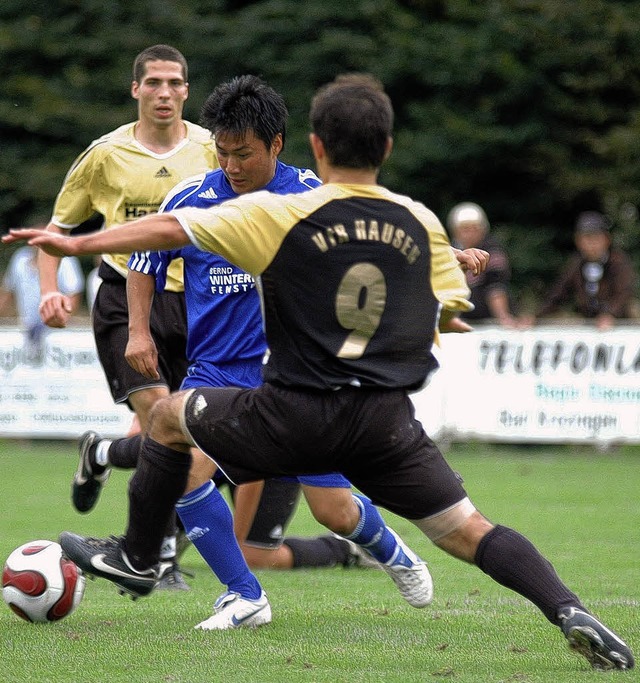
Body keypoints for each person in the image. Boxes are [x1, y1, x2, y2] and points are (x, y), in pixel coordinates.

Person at [5, 74, 633, 671]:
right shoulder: (411, 217)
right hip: (381, 418)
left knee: (169, 421)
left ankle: (141, 555)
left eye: (241, 153)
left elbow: (167, 229)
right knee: (469, 529)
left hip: (293, 405)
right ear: (386, 146)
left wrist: (78, 245)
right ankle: (565, 606)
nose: (228, 165)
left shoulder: (293, 207)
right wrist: (445, 307)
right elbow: (431, 305)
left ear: (305, 144)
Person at [35, 44, 218, 589]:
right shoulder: (105, 155)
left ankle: (102, 452)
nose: (165, 93)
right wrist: (50, 291)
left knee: (194, 431)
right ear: (135, 89)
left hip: (198, 302)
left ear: (187, 90)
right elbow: (56, 233)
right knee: (168, 419)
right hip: (125, 299)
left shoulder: (212, 149)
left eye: (175, 83)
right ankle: (157, 558)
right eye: (154, 83)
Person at [522, 211, 637, 331]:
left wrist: (610, 314)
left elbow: (624, 292)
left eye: (596, 238)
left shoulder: (618, 261)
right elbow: (559, 293)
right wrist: (536, 317)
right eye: (586, 238)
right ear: (578, 241)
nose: (591, 244)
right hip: (589, 320)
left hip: (620, 321)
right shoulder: (576, 264)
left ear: (606, 239)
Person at [0, 242, 84, 364]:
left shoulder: (66, 260)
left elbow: (74, 294)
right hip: (25, 328)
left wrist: (62, 318)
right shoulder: (20, 259)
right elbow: (7, 293)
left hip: (55, 332)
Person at [447, 202, 517, 328]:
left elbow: (496, 287)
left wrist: (503, 317)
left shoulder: (492, 252)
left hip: (488, 322)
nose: (471, 233)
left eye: (475, 228)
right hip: (461, 319)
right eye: (465, 229)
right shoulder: (451, 251)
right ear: (456, 232)